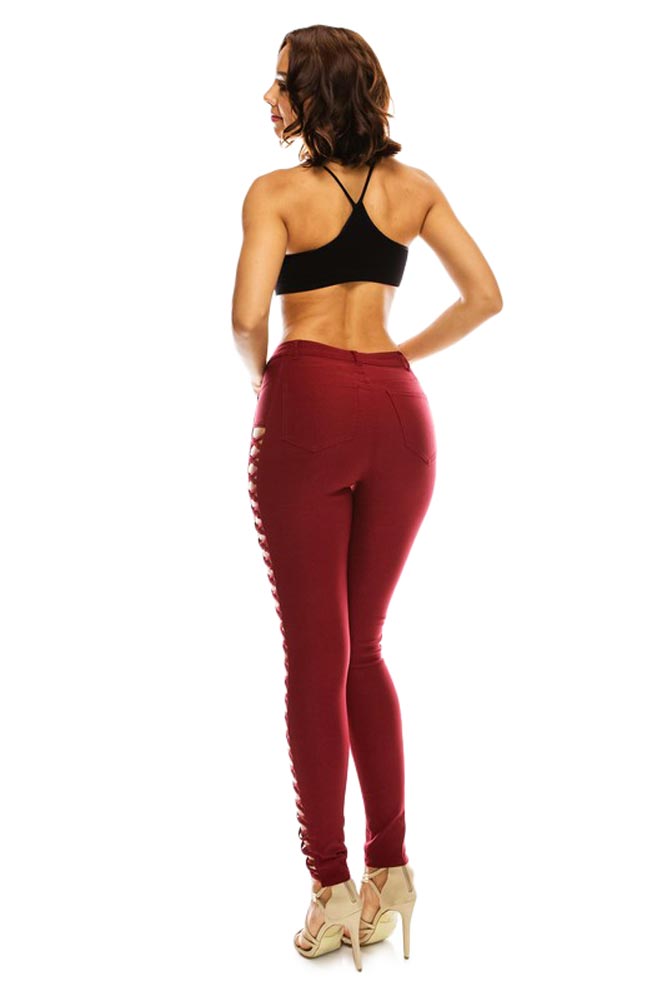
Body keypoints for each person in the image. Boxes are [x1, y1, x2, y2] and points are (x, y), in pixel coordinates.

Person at [231, 25, 502, 969]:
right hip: (399, 415)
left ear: (314, 94)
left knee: (315, 654)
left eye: (280, 83)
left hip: (307, 401)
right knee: (366, 647)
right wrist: (393, 359)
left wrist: (268, 380)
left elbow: (246, 315)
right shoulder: (412, 189)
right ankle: (392, 873)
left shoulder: (275, 194)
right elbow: (483, 296)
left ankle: (330, 888)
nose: (268, 98)